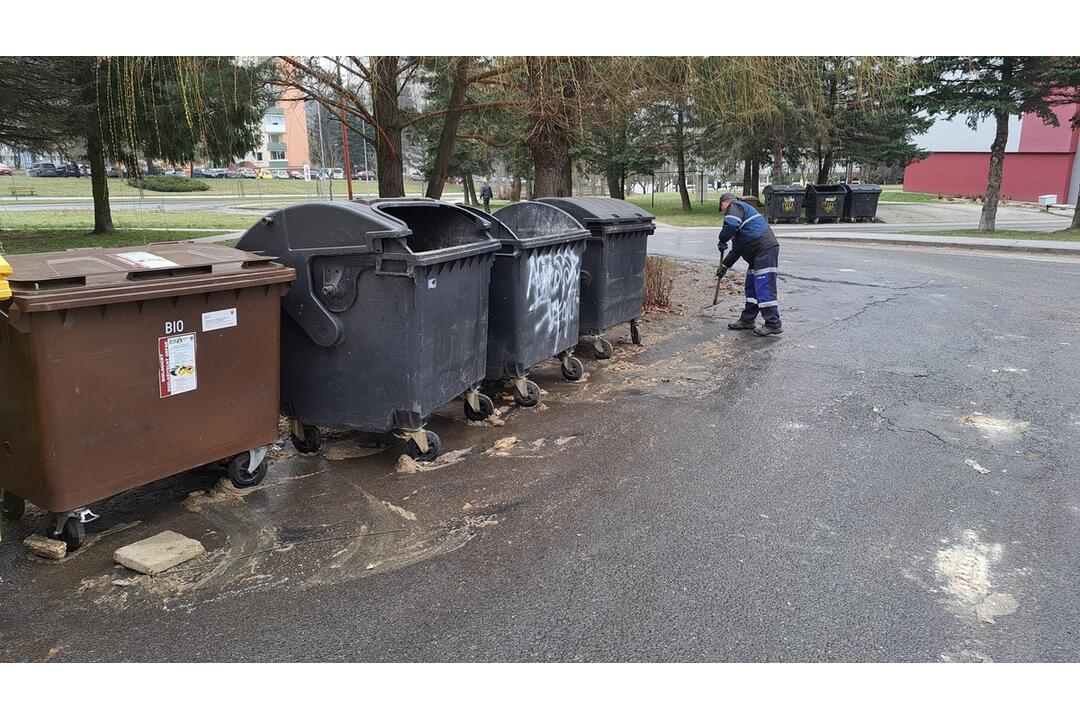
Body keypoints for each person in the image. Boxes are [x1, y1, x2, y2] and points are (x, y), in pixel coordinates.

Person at [715, 192, 782, 336]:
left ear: (724, 204)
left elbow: (730, 224)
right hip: (756, 254)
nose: (724, 215)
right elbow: (737, 250)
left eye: (722, 211)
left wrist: (722, 239)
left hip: (764, 249)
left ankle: (773, 324)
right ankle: (747, 320)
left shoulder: (735, 206)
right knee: (751, 286)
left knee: (764, 286)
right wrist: (724, 267)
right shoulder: (742, 223)